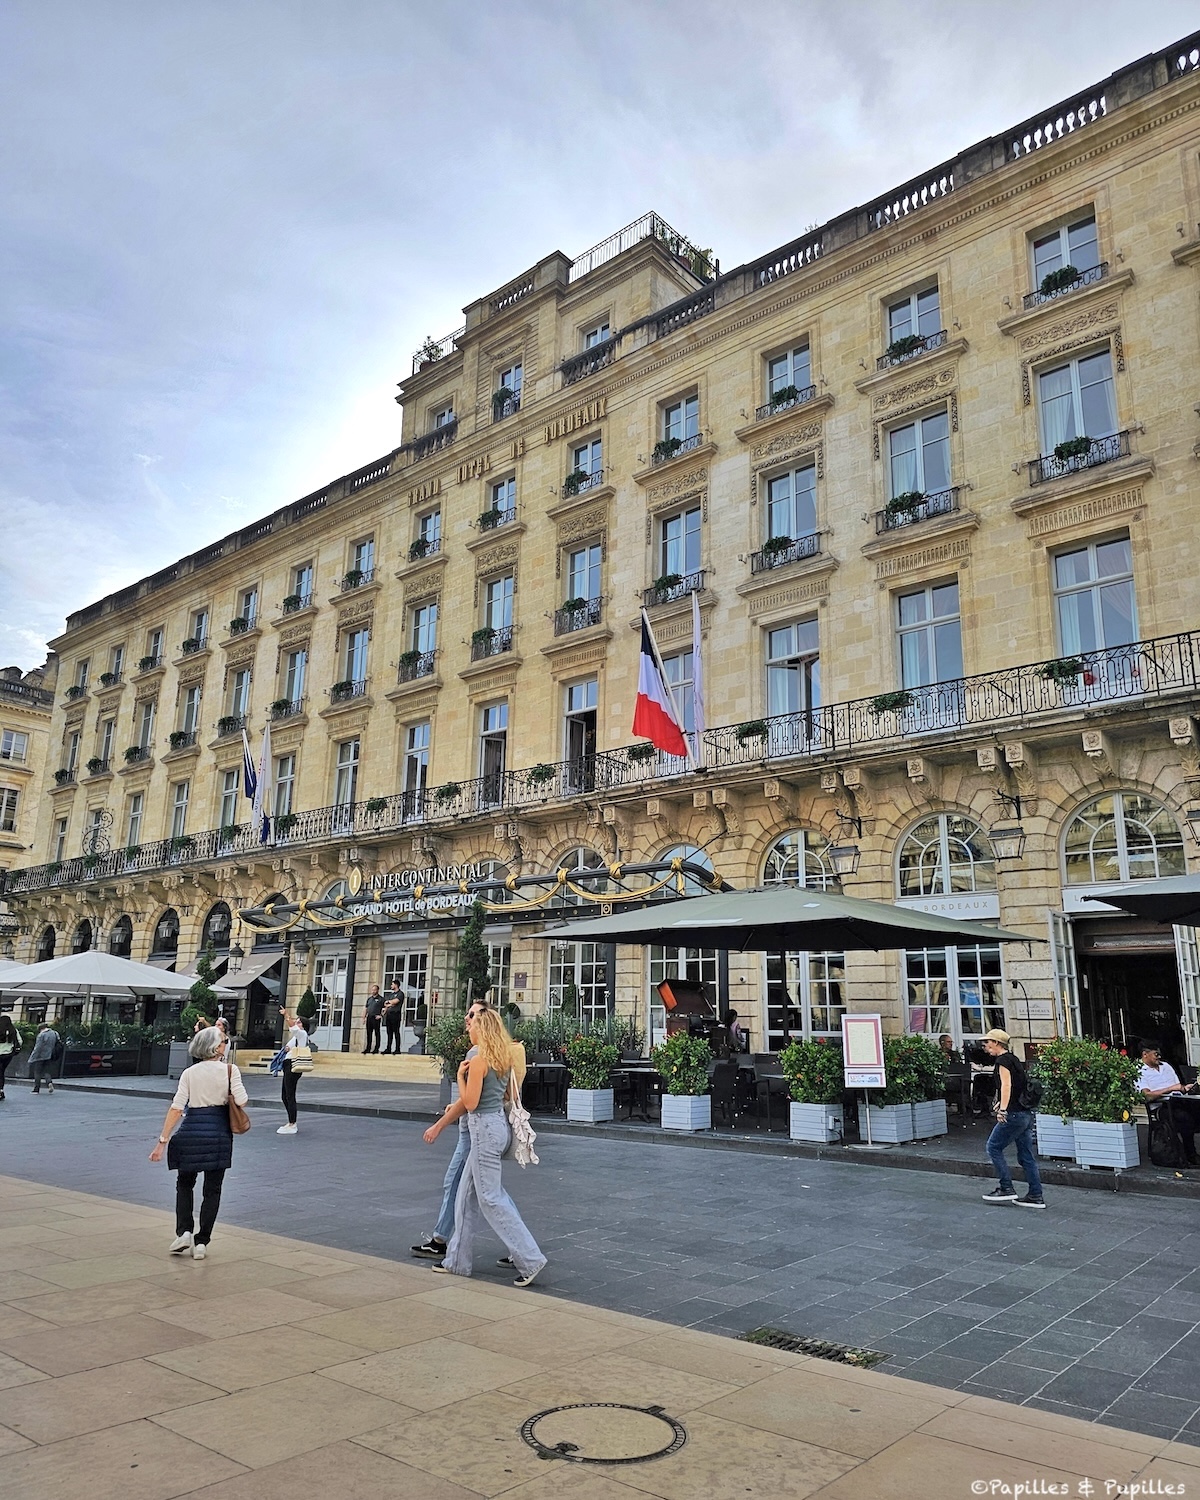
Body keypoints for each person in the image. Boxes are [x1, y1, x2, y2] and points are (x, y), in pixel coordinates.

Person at [423, 1006, 545, 1287]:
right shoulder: (503, 1057)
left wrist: (460, 1077)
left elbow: (469, 1103)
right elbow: (511, 1094)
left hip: (483, 1131)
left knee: (490, 1197)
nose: (469, 1028)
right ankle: (456, 1261)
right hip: (497, 1126)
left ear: (483, 1029)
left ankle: (530, 1259)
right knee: (465, 1196)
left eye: (473, 1024)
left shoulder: (477, 1061)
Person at [412, 1001, 526, 1262]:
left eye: (473, 1015)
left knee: (472, 1191)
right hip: (489, 1126)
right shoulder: (498, 1053)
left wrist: (439, 1124)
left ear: (483, 1023)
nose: (467, 1019)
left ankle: (446, 1243)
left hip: (477, 1130)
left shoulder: (476, 1055)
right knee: (483, 1193)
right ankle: (452, 1249)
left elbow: (470, 1102)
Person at [148, 1025, 248, 1259]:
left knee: (184, 1184)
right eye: (223, 1041)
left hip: (191, 1131)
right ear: (215, 1047)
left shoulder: (189, 1073)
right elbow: (242, 1101)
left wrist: (162, 1141)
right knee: (212, 1189)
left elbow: (176, 1107)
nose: (226, 1044)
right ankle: (202, 1242)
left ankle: (184, 1231)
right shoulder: (230, 1071)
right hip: (218, 1134)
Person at [979, 1029, 1045, 1209]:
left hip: (1014, 1114)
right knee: (1026, 1156)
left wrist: (1003, 1110)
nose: (985, 1046)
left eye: (987, 1042)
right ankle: (1035, 1195)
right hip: (1024, 1114)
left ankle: (1006, 1187)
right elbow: (1016, 1087)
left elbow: (1006, 1086)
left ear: (997, 1043)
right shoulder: (1014, 1059)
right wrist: (1000, 1102)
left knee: (993, 1147)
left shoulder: (1002, 1061)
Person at [1138, 1040, 1200, 1165]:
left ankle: (1189, 1152)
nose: (1159, 1057)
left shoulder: (1166, 1066)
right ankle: (1189, 1153)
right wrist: (1170, 1089)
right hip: (1161, 1107)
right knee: (1184, 1118)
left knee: (1196, 1109)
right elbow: (1147, 1096)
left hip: (1177, 1100)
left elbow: (1177, 1086)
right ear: (1145, 1054)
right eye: (1156, 1054)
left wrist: (1184, 1088)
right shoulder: (1140, 1071)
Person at [277, 1005, 308, 1135]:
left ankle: (292, 1123)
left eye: (299, 1021)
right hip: (288, 1065)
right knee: (285, 1095)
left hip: (293, 1066)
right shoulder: (297, 1037)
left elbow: (292, 1028)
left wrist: (286, 1015)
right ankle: (291, 1121)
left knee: (290, 1095)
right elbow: (287, 1048)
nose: (296, 1022)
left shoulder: (302, 1033)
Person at [29, 1022, 60, 1094]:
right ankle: (49, 1083)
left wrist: (32, 1058)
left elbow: (37, 1048)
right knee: (46, 1071)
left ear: (40, 1029)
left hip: (40, 1056)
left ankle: (36, 1089)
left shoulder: (41, 1035)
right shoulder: (55, 1033)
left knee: (37, 1072)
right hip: (50, 1055)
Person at [0, 1015, 20, 1100]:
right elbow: (20, 1041)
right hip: (8, 1055)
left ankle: (0, 1091)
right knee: (1, 1072)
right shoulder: (13, 1030)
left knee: (0, 1073)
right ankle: (1, 1090)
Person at [363, 984, 386, 1054]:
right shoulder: (369, 999)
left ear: (377, 990)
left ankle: (376, 1048)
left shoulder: (381, 999)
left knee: (377, 1033)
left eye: (374, 990)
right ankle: (368, 1048)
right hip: (369, 1017)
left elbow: (385, 1008)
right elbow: (366, 1008)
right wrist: (363, 1017)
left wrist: (381, 1015)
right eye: (372, 990)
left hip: (376, 1018)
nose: (373, 991)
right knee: (369, 1033)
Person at [382, 981, 404, 1054]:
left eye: (392, 984)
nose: (391, 985)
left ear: (396, 985)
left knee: (396, 1032)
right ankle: (388, 1048)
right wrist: (386, 1008)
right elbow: (386, 1004)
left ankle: (397, 1049)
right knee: (389, 1033)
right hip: (389, 1015)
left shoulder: (400, 994)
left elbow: (395, 1001)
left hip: (395, 1015)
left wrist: (389, 1002)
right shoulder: (391, 995)